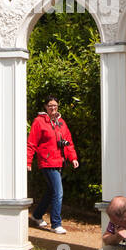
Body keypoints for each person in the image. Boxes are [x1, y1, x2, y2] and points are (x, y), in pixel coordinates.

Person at [26, 96, 78, 234]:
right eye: (50, 105)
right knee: (58, 192)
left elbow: (68, 142)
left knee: (51, 191)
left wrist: (72, 157)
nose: (53, 108)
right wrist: (28, 161)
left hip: (59, 161)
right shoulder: (39, 122)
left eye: (55, 105)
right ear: (45, 107)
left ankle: (36, 215)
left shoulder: (61, 122)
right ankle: (56, 223)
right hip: (47, 162)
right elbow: (31, 143)